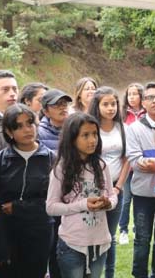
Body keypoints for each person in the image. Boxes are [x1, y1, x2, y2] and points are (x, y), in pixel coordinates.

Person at [46, 113, 117, 278]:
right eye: (85, 135)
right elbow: (50, 207)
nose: (92, 140)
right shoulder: (61, 168)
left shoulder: (101, 165)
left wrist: (108, 203)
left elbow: (112, 196)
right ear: (72, 138)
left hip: (100, 243)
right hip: (72, 245)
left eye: (95, 134)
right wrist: (83, 204)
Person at [0, 103, 55, 278]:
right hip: (9, 232)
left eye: (30, 123)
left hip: (40, 232)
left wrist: (18, 207)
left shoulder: (51, 158)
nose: (27, 129)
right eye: (19, 126)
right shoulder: (1, 160)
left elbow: (52, 202)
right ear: (9, 132)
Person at [87, 87, 131, 278]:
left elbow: (126, 160)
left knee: (110, 236)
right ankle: (90, 272)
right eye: (106, 104)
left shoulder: (123, 128)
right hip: (93, 188)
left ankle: (110, 274)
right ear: (97, 106)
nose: (110, 108)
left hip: (115, 187)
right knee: (92, 235)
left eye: (113, 104)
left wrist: (118, 187)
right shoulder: (89, 128)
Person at [126, 82, 155, 278]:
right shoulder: (134, 129)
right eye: (151, 98)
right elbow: (135, 162)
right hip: (143, 193)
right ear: (143, 102)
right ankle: (139, 274)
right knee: (142, 239)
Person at [37, 88, 73, 277]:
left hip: (72, 197)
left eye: (65, 104)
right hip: (49, 196)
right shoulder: (38, 132)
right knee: (49, 247)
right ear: (45, 110)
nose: (62, 108)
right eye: (57, 105)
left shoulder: (74, 129)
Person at [119, 83, 145, 245]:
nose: (132, 97)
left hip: (142, 163)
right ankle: (123, 230)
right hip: (127, 163)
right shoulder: (122, 115)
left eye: (135, 94)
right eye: (129, 94)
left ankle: (137, 228)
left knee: (139, 199)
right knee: (126, 199)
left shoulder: (146, 114)